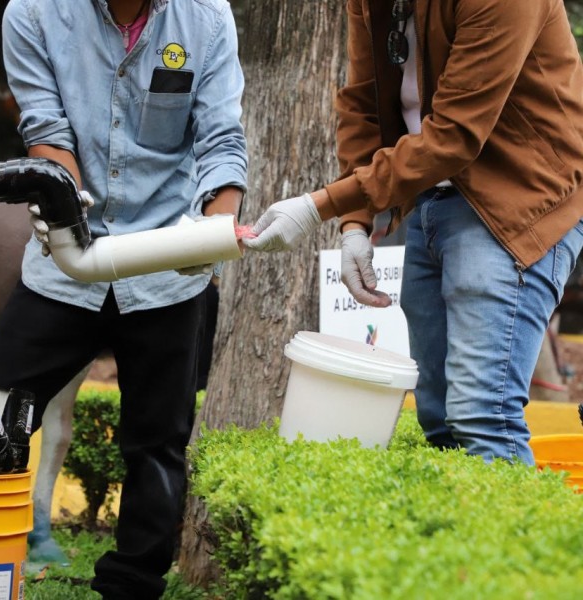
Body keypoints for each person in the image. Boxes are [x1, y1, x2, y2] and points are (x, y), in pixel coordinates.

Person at [0, 0, 247, 597]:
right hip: (67, 259)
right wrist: (72, 220)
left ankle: (132, 587)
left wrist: (215, 229)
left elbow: (221, 139)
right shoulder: (32, 13)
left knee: (157, 445)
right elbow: (45, 131)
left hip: (167, 262)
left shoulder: (207, 16)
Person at [243, 0, 583, 466]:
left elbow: (455, 134)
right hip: (431, 197)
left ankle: (505, 539)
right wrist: (355, 225)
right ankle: (453, 538)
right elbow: (362, 103)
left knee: (482, 417)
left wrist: (317, 205)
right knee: (439, 419)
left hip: (518, 200)